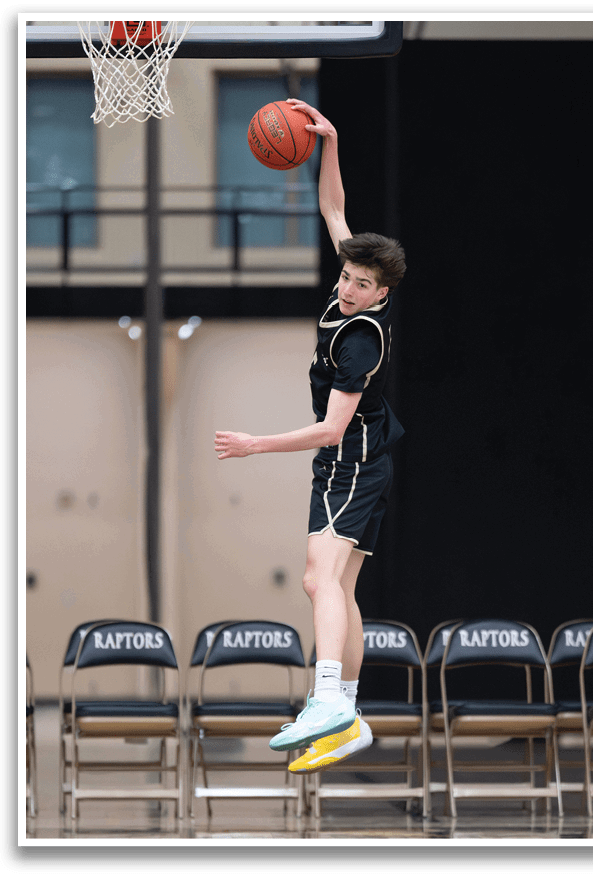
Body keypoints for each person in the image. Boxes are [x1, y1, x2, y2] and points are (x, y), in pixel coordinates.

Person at [214, 99, 406, 772]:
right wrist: (329, 138)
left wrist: (254, 445)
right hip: (357, 460)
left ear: (382, 295)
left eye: (363, 284)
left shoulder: (360, 341)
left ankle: (328, 697)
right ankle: (347, 714)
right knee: (334, 586)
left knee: (318, 578)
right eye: (347, 276)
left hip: (350, 458)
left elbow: (331, 427)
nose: (349, 288)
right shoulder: (348, 284)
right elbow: (334, 208)